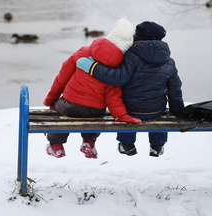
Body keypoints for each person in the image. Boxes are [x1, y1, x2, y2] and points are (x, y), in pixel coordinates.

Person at [77, 21, 184, 157]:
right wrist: (177, 110)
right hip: (156, 110)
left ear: (137, 37)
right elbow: (175, 89)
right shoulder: (168, 60)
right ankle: (157, 145)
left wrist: (93, 67)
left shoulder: (131, 56)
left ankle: (126, 144)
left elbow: (117, 78)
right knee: (162, 112)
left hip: (131, 111)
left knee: (126, 108)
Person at [43, 18, 141, 159]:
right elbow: (113, 97)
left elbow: (62, 78)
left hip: (70, 104)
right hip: (95, 110)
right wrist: (121, 115)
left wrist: (51, 98)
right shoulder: (114, 71)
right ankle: (89, 141)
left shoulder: (82, 53)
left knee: (58, 110)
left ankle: (56, 145)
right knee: (95, 116)